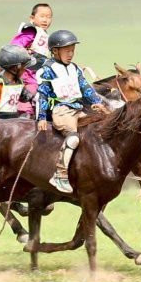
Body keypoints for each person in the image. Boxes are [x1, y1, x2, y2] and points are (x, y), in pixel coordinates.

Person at [37, 30, 107, 193]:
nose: (71, 54)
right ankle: (60, 175)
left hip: (78, 108)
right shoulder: (47, 70)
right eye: (67, 50)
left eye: (72, 50)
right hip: (62, 110)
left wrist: (97, 102)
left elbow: (85, 88)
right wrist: (41, 117)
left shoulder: (75, 69)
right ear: (55, 51)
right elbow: (42, 94)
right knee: (73, 139)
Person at [9, 3, 53, 116]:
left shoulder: (44, 35)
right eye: (42, 16)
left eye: (49, 17)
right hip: (27, 75)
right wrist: (24, 52)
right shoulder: (31, 31)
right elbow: (14, 48)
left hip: (37, 74)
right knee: (30, 97)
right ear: (32, 18)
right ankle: (24, 117)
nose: (46, 20)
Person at [0, 45, 41, 122]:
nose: (25, 70)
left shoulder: (18, 81)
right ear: (16, 68)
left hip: (13, 118)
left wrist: (38, 103)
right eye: (24, 67)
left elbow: (27, 96)